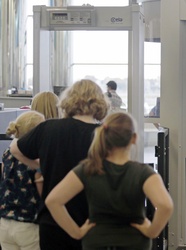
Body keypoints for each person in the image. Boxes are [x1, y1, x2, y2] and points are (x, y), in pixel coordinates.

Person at [45, 111, 174, 250]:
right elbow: (165, 205)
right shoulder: (143, 173)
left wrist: (76, 232)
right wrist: (152, 231)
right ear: (134, 138)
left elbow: (53, 201)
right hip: (135, 243)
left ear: (105, 136)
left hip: (96, 242)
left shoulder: (88, 169)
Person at [10, 79, 109, 250]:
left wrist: (38, 166)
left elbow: (15, 148)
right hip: (92, 222)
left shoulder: (48, 128)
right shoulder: (104, 135)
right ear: (100, 102)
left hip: (53, 221)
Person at [0, 111, 45, 250]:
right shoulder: (36, 157)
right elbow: (42, 192)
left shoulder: (7, 153)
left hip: (5, 222)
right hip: (29, 224)